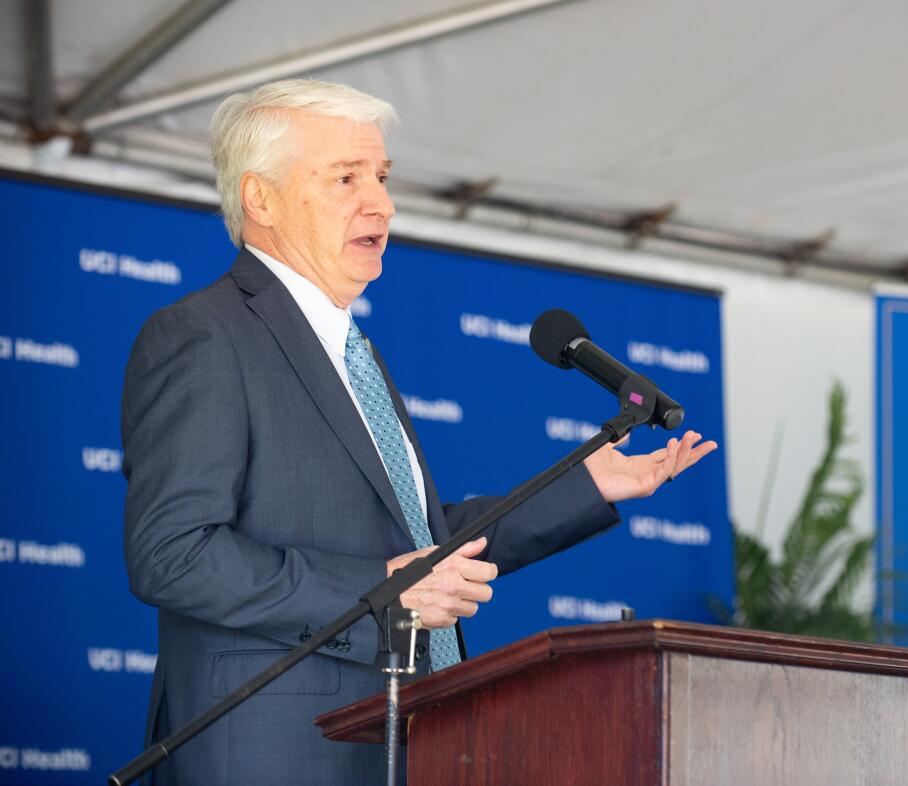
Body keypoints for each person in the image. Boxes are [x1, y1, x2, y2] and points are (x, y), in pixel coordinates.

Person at [121, 79, 716, 785]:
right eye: (345, 178)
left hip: (403, 740)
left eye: (380, 177)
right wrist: (376, 587)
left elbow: (425, 550)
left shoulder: (354, 353)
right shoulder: (204, 334)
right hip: (274, 749)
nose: (380, 203)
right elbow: (172, 554)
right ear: (261, 199)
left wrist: (586, 485)